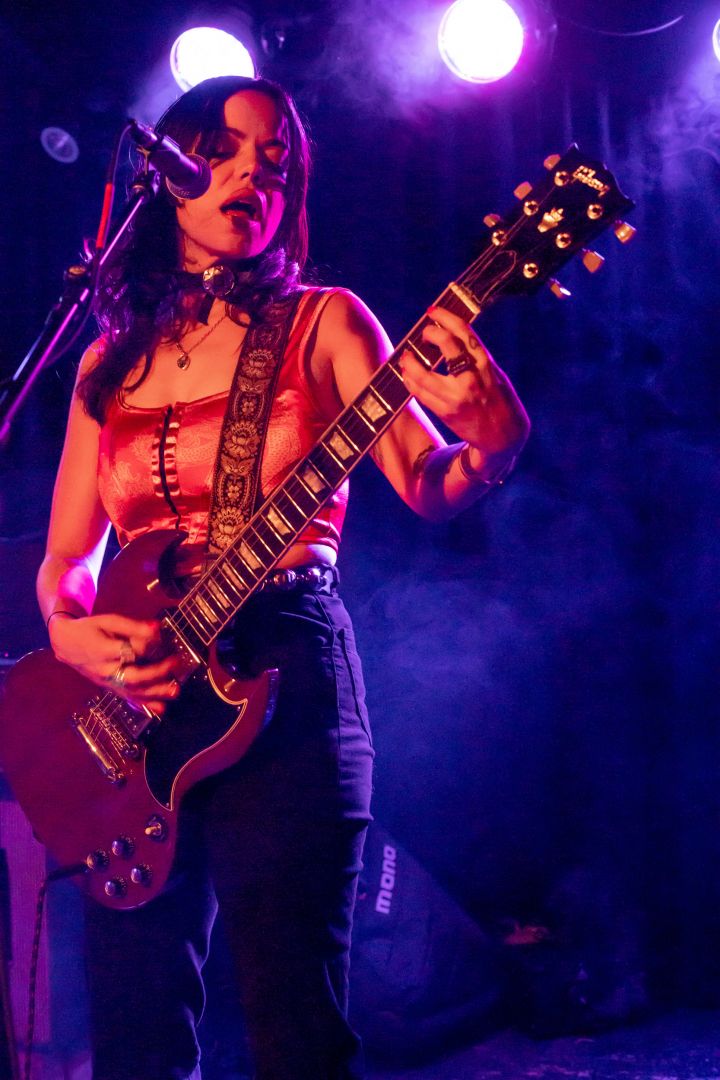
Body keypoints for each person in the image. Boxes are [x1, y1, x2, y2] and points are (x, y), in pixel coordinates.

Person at [37, 75, 530, 1080]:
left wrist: (494, 436)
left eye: (275, 163)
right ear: (169, 171)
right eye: (221, 151)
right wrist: (67, 629)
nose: (250, 176)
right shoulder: (105, 363)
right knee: (134, 1034)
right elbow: (66, 560)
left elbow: (429, 482)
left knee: (294, 1021)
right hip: (135, 706)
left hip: (285, 666)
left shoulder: (326, 323)